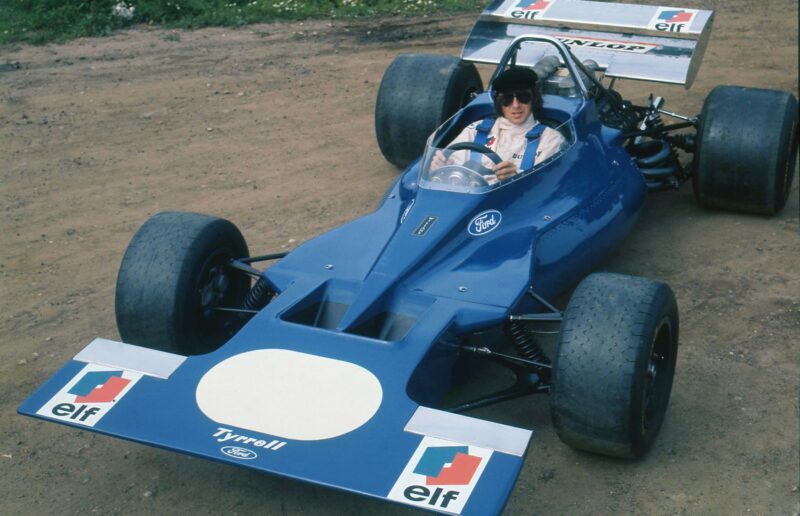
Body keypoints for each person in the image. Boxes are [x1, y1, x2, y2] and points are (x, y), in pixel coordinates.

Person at [431, 67, 565, 183]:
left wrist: (517, 177)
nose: (516, 105)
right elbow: (450, 170)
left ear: (534, 99)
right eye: (507, 99)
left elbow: (545, 186)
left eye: (523, 97)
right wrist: (441, 165)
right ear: (498, 102)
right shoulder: (475, 130)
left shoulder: (550, 139)